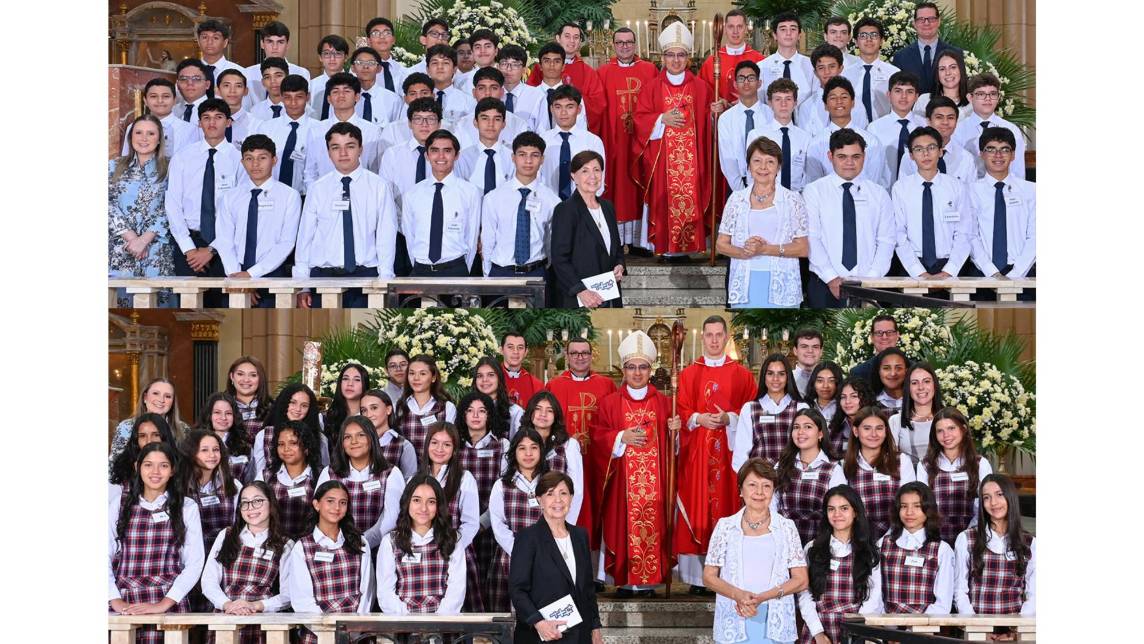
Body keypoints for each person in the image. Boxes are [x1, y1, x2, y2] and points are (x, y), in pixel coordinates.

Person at [591, 330, 680, 597]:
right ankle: (627, 582)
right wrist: (620, 436)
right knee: (623, 527)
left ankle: (650, 583)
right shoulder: (609, 403)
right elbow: (597, 436)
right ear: (623, 370)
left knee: (655, 529)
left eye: (642, 367)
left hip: (655, 488)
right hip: (622, 486)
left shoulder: (665, 403)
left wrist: (676, 432)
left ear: (651, 370)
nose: (637, 373)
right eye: (631, 367)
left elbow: (675, 450)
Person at [675, 315, 758, 594]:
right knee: (699, 509)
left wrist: (729, 419)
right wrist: (698, 418)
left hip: (728, 457)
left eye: (718, 335)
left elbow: (751, 413)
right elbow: (680, 410)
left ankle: (728, 576)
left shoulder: (743, 375)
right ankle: (699, 580)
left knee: (727, 509)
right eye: (708, 335)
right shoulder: (688, 374)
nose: (713, 340)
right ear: (702, 337)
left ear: (726, 337)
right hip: (698, 455)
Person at [703, 458, 808, 644]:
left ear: (773, 491)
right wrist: (738, 595)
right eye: (752, 485)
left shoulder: (787, 527)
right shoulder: (725, 527)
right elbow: (709, 577)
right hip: (734, 619)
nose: (759, 492)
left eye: (766, 486)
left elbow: (801, 580)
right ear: (740, 490)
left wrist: (762, 598)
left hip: (775, 622)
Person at [108, 443, 204, 643]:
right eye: (148, 465)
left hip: (168, 604)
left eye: (163, 465)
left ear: (173, 470)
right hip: (125, 603)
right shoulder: (119, 504)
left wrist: (164, 603)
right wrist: (115, 599)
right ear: (137, 467)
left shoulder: (186, 506)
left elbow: (195, 563)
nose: (155, 472)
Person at [294, 122, 397, 307]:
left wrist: (385, 279)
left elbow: (386, 235)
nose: (343, 153)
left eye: (350, 146)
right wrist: (303, 286)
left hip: (366, 276)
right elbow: (305, 237)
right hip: (322, 277)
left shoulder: (378, 186)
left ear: (360, 149)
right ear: (328, 152)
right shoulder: (317, 188)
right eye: (336, 148)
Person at [633, 21, 711, 259]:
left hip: (692, 163)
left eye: (681, 55)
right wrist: (660, 119)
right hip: (662, 160)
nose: (676, 60)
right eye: (670, 55)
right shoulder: (652, 87)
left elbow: (708, 123)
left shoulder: (701, 87)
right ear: (662, 57)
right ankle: (665, 247)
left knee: (691, 195)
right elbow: (639, 119)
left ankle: (689, 246)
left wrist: (715, 112)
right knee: (663, 198)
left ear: (688, 57)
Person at [509, 471, 603, 644]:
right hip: (542, 634)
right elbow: (517, 590)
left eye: (563, 493)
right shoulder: (528, 538)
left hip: (580, 634)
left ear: (571, 498)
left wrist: (595, 627)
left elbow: (588, 589)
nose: (558, 500)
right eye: (550, 494)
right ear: (539, 500)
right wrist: (538, 622)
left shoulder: (580, 536)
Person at [804, 129, 895, 307]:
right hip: (824, 282)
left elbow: (886, 241)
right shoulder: (814, 191)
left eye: (855, 156)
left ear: (864, 156)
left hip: (869, 285)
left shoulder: (879, 194)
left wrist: (870, 281)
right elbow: (812, 238)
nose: (849, 163)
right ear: (830, 156)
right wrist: (831, 278)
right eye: (842, 156)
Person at [545, 336, 617, 560]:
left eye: (584, 353)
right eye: (574, 353)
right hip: (566, 461)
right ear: (567, 357)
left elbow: (614, 419)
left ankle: (597, 572)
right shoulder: (554, 385)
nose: (579, 357)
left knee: (599, 509)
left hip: (599, 459)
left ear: (591, 355)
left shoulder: (606, 385)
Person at [166, 99, 244, 303]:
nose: (212, 123)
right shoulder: (183, 157)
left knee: (224, 304)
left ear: (228, 122)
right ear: (199, 123)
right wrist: (189, 248)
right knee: (188, 306)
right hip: (188, 243)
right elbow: (173, 204)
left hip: (226, 245)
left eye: (218, 118)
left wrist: (212, 249)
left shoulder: (240, 159)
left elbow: (241, 209)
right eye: (206, 118)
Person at [718, 137, 809, 308]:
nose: (763, 168)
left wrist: (765, 249)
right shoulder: (736, 199)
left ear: (779, 166)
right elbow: (721, 245)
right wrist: (745, 251)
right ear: (749, 166)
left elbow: (803, 248)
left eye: (770, 162)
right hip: (744, 283)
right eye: (757, 161)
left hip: (783, 284)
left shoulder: (793, 200)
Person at [200, 481, 292, 643]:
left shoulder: (284, 543)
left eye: (257, 501)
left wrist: (255, 606)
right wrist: (227, 604)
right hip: (226, 619)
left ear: (271, 504)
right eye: (245, 503)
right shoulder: (226, 535)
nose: (251, 508)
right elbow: (208, 581)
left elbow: (288, 595)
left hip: (263, 621)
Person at [213, 135, 301, 303]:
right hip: (234, 274)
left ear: (274, 160)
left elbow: (286, 242)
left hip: (272, 274)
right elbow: (224, 239)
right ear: (242, 162)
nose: (255, 164)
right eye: (249, 158)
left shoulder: (289, 196)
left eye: (262, 158)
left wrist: (251, 275)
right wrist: (238, 276)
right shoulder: (230, 197)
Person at [285, 481, 374, 643]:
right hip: (317, 635)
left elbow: (367, 592)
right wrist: (329, 634)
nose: (337, 507)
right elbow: (302, 600)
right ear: (317, 504)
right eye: (330, 501)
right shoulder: (302, 547)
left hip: (356, 634)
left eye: (343, 502)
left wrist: (354, 631)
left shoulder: (359, 543)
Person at [797, 485, 884, 643]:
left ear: (855, 512)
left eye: (844, 508)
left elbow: (874, 597)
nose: (837, 515)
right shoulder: (812, 548)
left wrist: (856, 633)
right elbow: (804, 595)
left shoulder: (869, 551)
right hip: (818, 629)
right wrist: (818, 634)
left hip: (857, 628)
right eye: (831, 509)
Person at [597, 28, 658, 245]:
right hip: (615, 139)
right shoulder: (603, 72)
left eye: (629, 42)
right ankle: (618, 239)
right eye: (620, 42)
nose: (625, 46)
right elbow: (598, 107)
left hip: (643, 138)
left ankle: (642, 241)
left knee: (642, 183)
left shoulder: (650, 70)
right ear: (614, 45)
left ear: (635, 44)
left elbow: (657, 102)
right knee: (617, 185)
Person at [376, 474, 467, 614]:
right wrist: (408, 621)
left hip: (443, 625)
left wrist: (437, 622)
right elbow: (385, 592)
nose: (423, 508)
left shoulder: (452, 540)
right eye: (417, 500)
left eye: (431, 502)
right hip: (402, 626)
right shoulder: (390, 542)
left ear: (438, 506)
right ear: (407, 502)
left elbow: (457, 589)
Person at [891, 126, 974, 280]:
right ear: (911, 155)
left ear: (941, 151)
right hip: (912, 265)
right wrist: (918, 271)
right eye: (918, 149)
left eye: (931, 147)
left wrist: (950, 270)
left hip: (951, 266)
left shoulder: (956, 187)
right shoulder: (901, 188)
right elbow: (899, 233)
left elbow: (964, 231)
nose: (926, 154)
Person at [109, 114, 174, 308]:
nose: (144, 138)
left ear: (159, 138)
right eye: (138, 132)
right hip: (121, 249)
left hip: (156, 249)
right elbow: (107, 204)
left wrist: (144, 240)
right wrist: (131, 238)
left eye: (150, 133)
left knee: (158, 306)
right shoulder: (113, 167)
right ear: (131, 137)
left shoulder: (172, 167)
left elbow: (172, 206)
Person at [953, 474, 1036, 620]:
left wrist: (1015, 628)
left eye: (999, 495)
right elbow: (959, 591)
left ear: (1010, 497)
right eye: (986, 497)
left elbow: (1035, 594)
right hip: (976, 629)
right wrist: (977, 627)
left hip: (1015, 629)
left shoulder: (1029, 542)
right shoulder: (966, 539)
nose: (993, 503)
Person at [402, 129, 483, 277]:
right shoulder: (412, 194)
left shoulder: (470, 192)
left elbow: (471, 236)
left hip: (456, 269)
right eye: (434, 151)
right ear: (427, 155)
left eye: (447, 151)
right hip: (421, 271)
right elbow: (410, 235)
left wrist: (465, 270)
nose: (441, 156)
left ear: (456, 155)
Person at [456, 391, 511, 607]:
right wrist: (468, 525)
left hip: (491, 526)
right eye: (470, 411)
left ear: (490, 415)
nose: (476, 416)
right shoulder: (454, 446)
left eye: (482, 411)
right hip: (461, 526)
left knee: (490, 579)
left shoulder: (502, 446)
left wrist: (482, 523)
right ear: (463, 415)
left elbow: (504, 488)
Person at [316, 416, 404, 549]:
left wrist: (363, 542)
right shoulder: (328, 473)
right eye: (347, 437)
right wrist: (341, 543)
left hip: (378, 549)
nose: (354, 441)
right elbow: (320, 513)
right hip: (336, 546)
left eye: (361, 435)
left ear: (372, 439)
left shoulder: (391, 473)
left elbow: (391, 518)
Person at [550, 150, 624, 308]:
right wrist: (581, 291)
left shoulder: (607, 207)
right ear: (573, 176)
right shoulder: (565, 210)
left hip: (609, 295)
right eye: (585, 171)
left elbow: (616, 249)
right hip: (580, 300)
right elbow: (559, 259)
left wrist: (620, 265)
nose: (592, 176)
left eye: (597, 170)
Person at [420, 422, 483, 609]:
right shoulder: (415, 478)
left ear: (455, 449)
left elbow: (471, 524)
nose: (440, 449)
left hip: (456, 553)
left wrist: (450, 549)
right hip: (422, 554)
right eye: (434, 443)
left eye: (446, 444)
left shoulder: (464, 478)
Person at [480, 131, 559, 278]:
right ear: (513, 158)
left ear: (542, 159)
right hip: (501, 272)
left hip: (537, 272)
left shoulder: (552, 200)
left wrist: (546, 268)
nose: (528, 161)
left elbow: (551, 241)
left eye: (534, 155)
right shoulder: (494, 198)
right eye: (522, 154)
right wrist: (488, 276)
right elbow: (488, 241)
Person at [487, 428, 547, 611]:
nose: (528, 454)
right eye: (522, 448)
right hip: (509, 557)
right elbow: (498, 525)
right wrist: (521, 552)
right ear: (514, 452)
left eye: (533, 448)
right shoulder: (502, 485)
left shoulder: (550, 483)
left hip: (545, 556)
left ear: (541, 451)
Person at [967, 127, 1036, 281]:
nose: (998, 155)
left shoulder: (1031, 190)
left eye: (1005, 150)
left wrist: (1015, 275)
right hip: (981, 272)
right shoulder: (970, 191)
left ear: (1013, 155)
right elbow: (971, 236)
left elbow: (1035, 236)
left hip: (1023, 273)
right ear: (982, 154)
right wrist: (992, 273)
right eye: (991, 149)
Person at [878, 482, 954, 614]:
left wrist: (914, 630)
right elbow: (876, 597)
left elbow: (943, 604)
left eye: (917, 506)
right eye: (904, 506)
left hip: (925, 628)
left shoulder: (942, 549)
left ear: (928, 509)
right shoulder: (883, 545)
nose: (909, 512)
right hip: (887, 626)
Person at [919, 407, 993, 544]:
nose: (946, 435)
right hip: (936, 537)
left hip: (972, 536)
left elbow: (986, 505)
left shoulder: (980, 464)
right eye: (940, 431)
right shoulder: (924, 466)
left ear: (963, 429)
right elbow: (922, 507)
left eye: (951, 428)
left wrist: (968, 535)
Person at [773, 409, 847, 544]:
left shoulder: (833, 469)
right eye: (796, 427)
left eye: (808, 427)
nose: (801, 432)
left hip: (820, 543)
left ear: (820, 433)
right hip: (784, 541)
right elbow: (771, 505)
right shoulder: (781, 466)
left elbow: (839, 511)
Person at [841, 407, 916, 537]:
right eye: (867, 428)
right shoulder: (843, 466)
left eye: (879, 428)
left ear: (886, 431)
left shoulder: (902, 461)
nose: (874, 434)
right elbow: (842, 509)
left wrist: (888, 538)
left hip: (896, 536)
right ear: (855, 431)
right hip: (857, 538)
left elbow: (910, 503)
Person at [804, 78, 888, 190]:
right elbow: (814, 182)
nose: (839, 101)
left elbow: (874, 180)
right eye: (833, 98)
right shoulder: (816, 143)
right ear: (825, 105)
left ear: (853, 102)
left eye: (844, 97)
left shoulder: (871, 141)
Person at [302, 73, 384, 188]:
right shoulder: (316, 130)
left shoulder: (372, 131)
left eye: (346, 91)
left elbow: (376, 170)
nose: (341, 95)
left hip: (362, 193)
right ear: (329, 99)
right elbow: (310, 172)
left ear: (357, 97)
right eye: (335, 91)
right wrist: (317, 195)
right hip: (324, 195)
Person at [732, 353, 808, 470]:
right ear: (764, 376)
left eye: (781, 374)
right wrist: (749, 482)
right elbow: (740, 454)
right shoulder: (750, 409)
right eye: (770, 373)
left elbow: (808, 449)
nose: (775, 379)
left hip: (792, 478)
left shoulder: (801, 408)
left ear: (788, 377)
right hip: (760, 480)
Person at [528, 22, 606, 134]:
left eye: (576, 37)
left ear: (580, 42)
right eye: (567, 36)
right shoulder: (540, 67)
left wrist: (574, 99)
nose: (572, 41)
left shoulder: (588, 71)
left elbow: (598, 103)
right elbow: (529, 97)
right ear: (558, 38)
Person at [521, 391, 585, 525]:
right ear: (530, 413)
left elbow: (576, 491)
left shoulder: (568, 445)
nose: (543, 414)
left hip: (557, 520)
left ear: (556, 415)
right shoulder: (519, 442)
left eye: (549, 410)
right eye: (538, 409)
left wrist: (566, 526)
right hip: (522, 516)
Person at [952, 73, 1026, 180]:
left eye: (992, 94)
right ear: (970, 98)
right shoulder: (958, 130)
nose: (988, 99)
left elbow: (1017, 171)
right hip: (969, 190)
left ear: (998, 97)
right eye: (981, 94)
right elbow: (955, 170)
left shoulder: (1012, 129)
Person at [180, 429, 239, 561]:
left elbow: (236, 525)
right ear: (192, 453)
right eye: (204, 450)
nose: (212, 455)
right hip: (190, 559)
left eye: (216, 450)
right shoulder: (180, 487)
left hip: (223, 557)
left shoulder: (233, 485)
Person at [257, 420, 323, 539]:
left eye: (293, 443)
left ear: (306, 447)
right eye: (281, 444)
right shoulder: (265, 476)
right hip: (274, 543)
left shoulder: (320, 475)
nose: (286, 448)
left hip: (309, 544)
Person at [541, 86, 607, 201]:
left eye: (569, 107)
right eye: (558, 107)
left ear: (579, 109)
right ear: (551, 109)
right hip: (548, 205)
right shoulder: (542, 140)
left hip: (583, 205)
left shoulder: (592, 141)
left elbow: (598, 181)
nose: (563, 112)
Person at [253, 75, 317, 192]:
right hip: (271, 193)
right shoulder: (266, 128)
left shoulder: (318, 129)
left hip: (305, 194)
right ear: (281, 97)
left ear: (307, 97)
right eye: (287, 97)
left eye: (299, 97)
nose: (293, 103)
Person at [251, 384, 328, 482]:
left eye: (304, 405)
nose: (298, 409)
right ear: (284, 403)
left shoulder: (320, 438)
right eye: (293, 403)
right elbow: (259, 474)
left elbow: (324, 472)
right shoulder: (264, 435)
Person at [747, 79, 812, 192]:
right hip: (765, 197)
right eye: (778, 99)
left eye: (788, 99)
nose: (783, 104)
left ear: (795, 103)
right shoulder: (756, 135)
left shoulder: (806, 138)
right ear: (770, 103)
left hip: (797, 197)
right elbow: (751, 173)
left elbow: (808, 175)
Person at [108, 414, 181, 514]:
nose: (149, 441)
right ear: (136, 440)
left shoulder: (179, 465)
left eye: (156, 435)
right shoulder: (121, 468)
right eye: (142, 436)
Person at [717, 61, 772, 191]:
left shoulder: (771, 114)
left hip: (769, 183)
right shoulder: (726, 119)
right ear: (735, 84)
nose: (746, 82)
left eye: (751, 78)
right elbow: (727, 160)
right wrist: (741, 192)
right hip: (738, 184)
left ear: (759, 83)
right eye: (741, 78)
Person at [899, 96, 977, 185]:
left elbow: (970, 194)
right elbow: (903, 190)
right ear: (928, 121)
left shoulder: (966, 158)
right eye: (939, 117)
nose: (945, 122)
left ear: (956, 122)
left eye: (950, 117)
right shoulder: (910, 156)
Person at [109, 378, 186, 464]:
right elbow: (113, 464)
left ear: (173, 402)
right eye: (155, 393)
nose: (161, 400)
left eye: (167, 396)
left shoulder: (183, 429)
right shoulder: (126, 427)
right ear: (145, 397)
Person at [891, 2, 962, 96]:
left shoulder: (956, 53)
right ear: (914, 23)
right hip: (913, 109)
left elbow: (961, 86)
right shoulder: (901, 57)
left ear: (939, 21)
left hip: (946, 108)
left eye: (931, 19)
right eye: (921, 19)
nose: (926, 23)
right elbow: (897, 91)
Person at [867, 72, 926, 183]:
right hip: (884, 192)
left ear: (916, 97)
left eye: (909, 92)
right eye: (898, 91)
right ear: (889, 95)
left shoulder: (924, 125)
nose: (904, 96)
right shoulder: (874, 128)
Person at [701, 9, 765, 108]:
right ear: (724, 29)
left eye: (739, 26)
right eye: (731, 27)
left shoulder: (759, 60)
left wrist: (749, 98)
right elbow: (701, 91)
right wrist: (717, 101)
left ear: (746, 29)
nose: (735, 31)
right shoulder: (712, 61)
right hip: (721, 116)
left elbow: (767, 91)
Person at [842, 18, 901, 125]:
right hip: (853, 130)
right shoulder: (845, 75)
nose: (869, 39)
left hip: (885, 129)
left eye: (874, 35)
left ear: (881, 40)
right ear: (855, 41)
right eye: (863, 36)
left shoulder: (894, 73)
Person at [797, 45, 867, 135]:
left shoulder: (855, 103)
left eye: (832, 66)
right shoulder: (807, 107)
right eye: (821, 68)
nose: (827, 72)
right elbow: (806, 142)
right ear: (815, 72)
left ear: (840, 68)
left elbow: (862, 136)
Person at [395, 354, 458, 454]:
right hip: (405, 468)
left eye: (422, 374)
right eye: (412, 373)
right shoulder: (399, 407)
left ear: (433, 378)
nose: (416, 378)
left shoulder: (447, 407)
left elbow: (450, 443)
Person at [121, 79, 196, 158]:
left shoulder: (190, 130)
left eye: (166, 96)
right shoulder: (133, 127)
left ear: (174, 100)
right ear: (145, 100)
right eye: (153, 96)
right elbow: (126, 159)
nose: (160, 101)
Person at [456, 96, 514, 195]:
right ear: (475, 122)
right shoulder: (462, 158)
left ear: (503, 124)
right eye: (485, 118)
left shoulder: (512, 159)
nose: (490, 124)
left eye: (497, 119)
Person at [242, 21, 310, 107]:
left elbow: (305, 107)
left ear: (288, 45)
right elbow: (245, 107)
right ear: (262, 44)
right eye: (270, 42)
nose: (275, 47)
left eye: (280, 42)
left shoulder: (301, 73)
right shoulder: (247, 73)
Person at [757, 12, 816, 111]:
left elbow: (816, 101)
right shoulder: (762, 67)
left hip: (805, 124)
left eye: (793, 29)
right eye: (783, 29)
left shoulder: (811, 66)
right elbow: (759, 103)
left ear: (799, 35)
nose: (788, 33)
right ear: (775, 35)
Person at [889, 362, 945, 463]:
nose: (921, 387)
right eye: (914, 383)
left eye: (926, 381)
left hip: (943, 477)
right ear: (908, 388)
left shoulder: (949, 419)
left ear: (934, 385)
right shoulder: (895, 421)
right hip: (908, 477)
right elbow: (890, 459)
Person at [196, 393, 253, 484]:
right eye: (217, 412)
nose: (223, 417)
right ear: (209, 415)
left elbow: (250, 480)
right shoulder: (195, 443)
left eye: (228, 413)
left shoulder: (245, 446)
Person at [473, 358, 525, 438]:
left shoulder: (515, 412)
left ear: (499, 378)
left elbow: (519, 446)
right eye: (480, 376)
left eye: (490, 375)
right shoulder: (467, 409)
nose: (484, 380)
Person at [498, 45, 546, 131]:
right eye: (504, 63)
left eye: (515, 64)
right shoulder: (491, 93)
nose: (509, 69)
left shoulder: (537, 96)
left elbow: (542, 131)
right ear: (498, 67)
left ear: (524, 70)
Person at [350, 47, 402, 125]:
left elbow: (396, 130)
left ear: (379, 68)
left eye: (371, 63)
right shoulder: (346, 98)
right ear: (353, 68)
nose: (365, 67)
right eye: (360, 62)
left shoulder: (393, 100)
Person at [425, 44, 476, 122]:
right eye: (435, 63)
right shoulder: (419, 99)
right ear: (428, 70)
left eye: (445, 63)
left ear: (455, 69)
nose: (440, 67)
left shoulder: (468, 102)